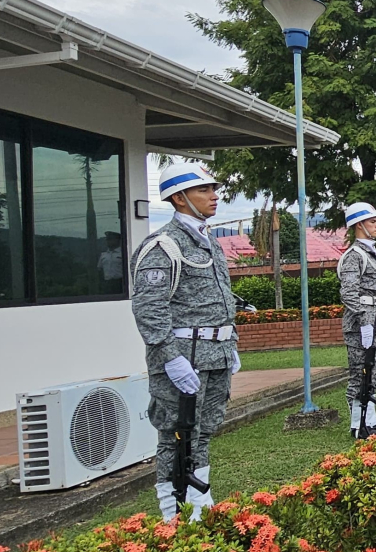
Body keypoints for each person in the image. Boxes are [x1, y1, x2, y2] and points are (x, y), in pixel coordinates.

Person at [131, 163, 240, 521]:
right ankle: (173, 515)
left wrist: (231, 344)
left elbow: (223, 301)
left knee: (204, 433)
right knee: (175, 436)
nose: (214, 195)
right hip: (184, 359)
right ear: (179, 198)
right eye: (203, 190)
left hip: (215, 356)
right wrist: (169, 359)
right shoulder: (163, 245)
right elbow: (149, 308)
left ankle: (199, 506)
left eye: (213, 188)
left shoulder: (210, 241)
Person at [338, 201, 376, 439]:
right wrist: (364, 324)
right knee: (359, 371)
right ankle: (357, 425)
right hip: (362, 323)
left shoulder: (373, 253)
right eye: (373, 221)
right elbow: (349, 293)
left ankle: (370, 421)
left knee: (375, 371)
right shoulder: (355, 255)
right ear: (359, 225)